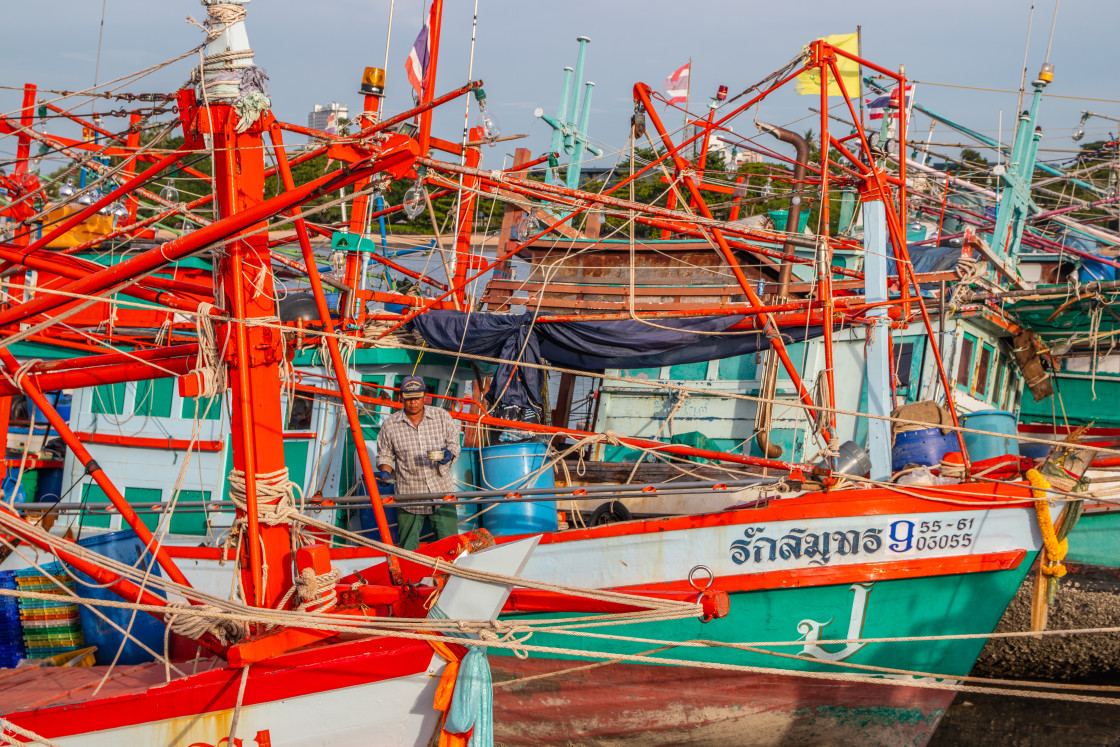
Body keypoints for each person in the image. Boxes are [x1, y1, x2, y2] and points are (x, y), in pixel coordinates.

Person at [374, 376, 461, 550]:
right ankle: (410, 577)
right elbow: (385, 455)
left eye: (417, 398)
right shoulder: (390, 425)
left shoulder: (441, 416)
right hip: (409, 495)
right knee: (408, 549)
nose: (413, 402)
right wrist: (385, 472)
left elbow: (454, 443)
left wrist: (448, 454)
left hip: (441, 491)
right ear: (401, 397)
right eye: (409, 398)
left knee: (452, 547)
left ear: (425, 396)